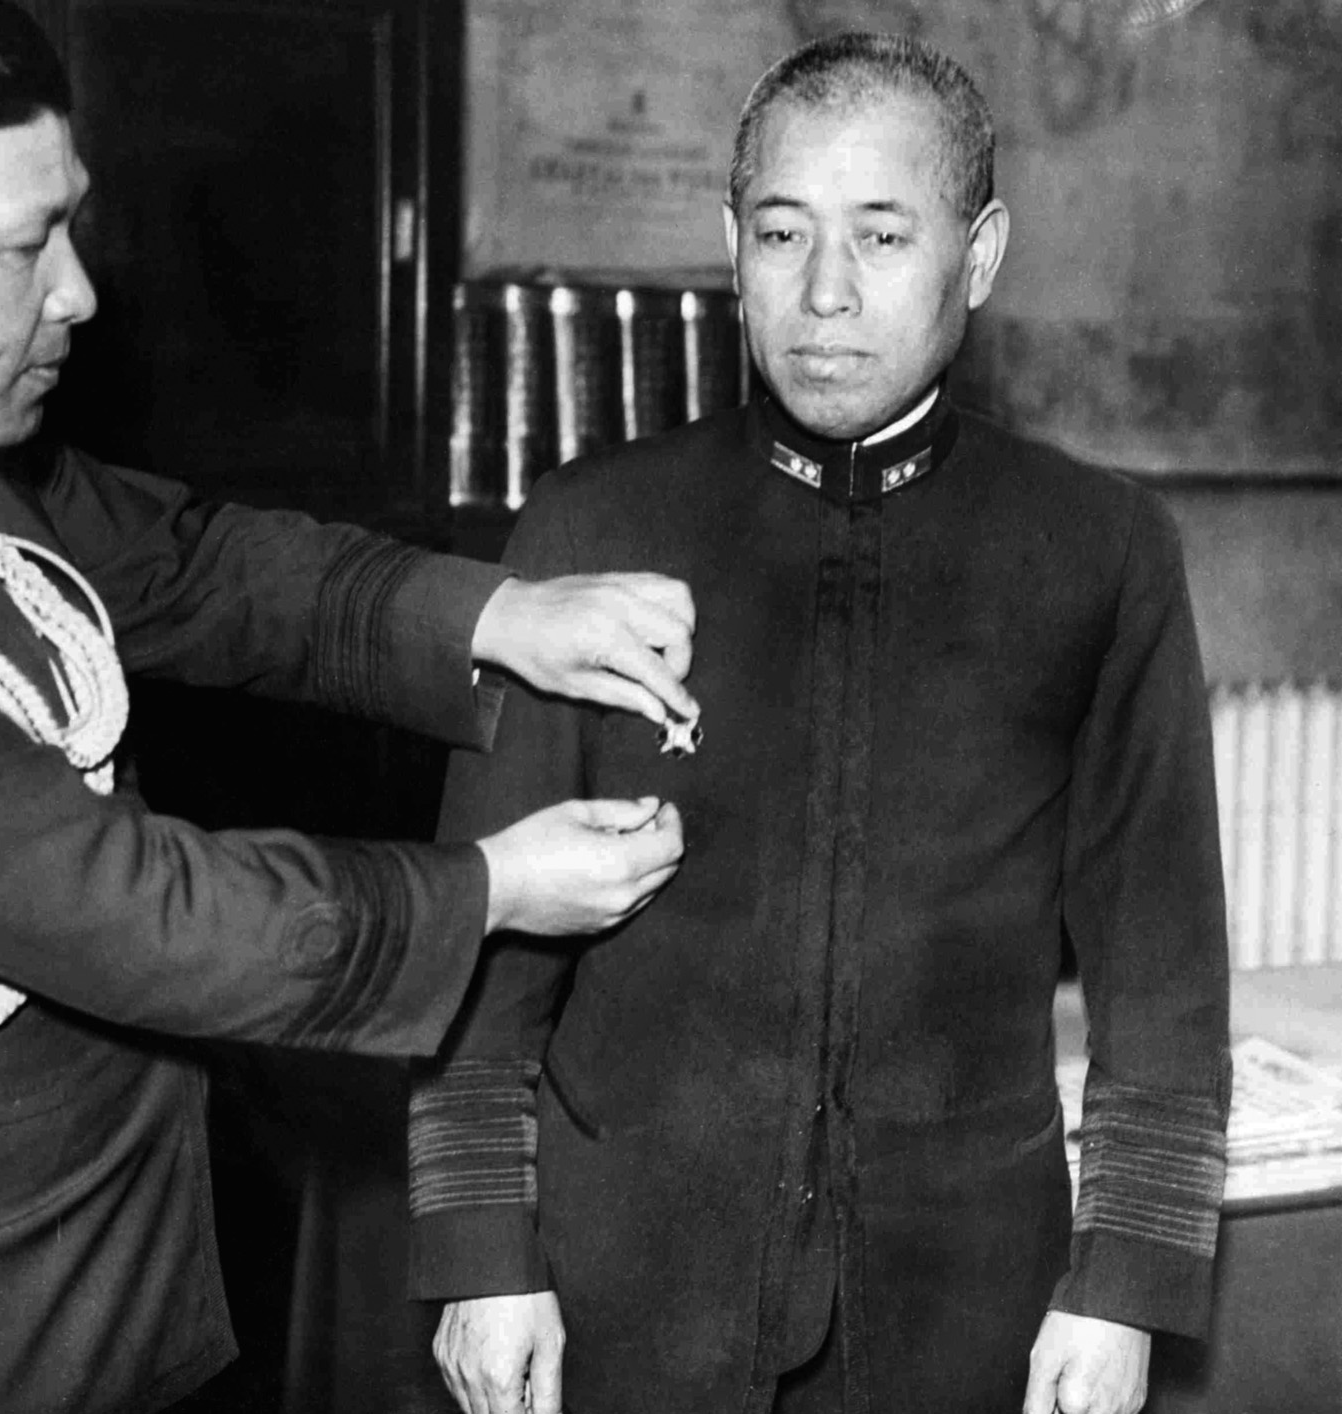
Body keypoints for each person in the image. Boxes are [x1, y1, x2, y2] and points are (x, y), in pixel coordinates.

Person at [0, 2, 701, 1410]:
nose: (79, 292)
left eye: (72, 226)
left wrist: (500, 612)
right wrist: (490, 887)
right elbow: (148, 915)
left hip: (80, 1290)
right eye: (22, 246)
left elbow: (195, 565)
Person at [407, 32, 1231, 1414]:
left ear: (978, 257)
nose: (826, 292)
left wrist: (1125, 1286)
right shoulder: (588, 529)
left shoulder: (1101, 552)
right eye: (783, 233)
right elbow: (483, 951)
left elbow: (1162, 973)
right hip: (625, 1301)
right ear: (730, 244)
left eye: (884, 235)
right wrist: (484, 1252)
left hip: (972, 1314)